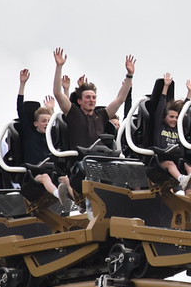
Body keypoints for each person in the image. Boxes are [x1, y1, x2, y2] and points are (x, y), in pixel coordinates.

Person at [52, 48, 136, 150]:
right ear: (79, 101)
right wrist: (59, 66)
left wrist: (129, 75)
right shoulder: (73, 113)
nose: (91, 100)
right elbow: (57, 93)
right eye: (88, 97)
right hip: (79, 158)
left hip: (98, 157)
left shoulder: (101, 115)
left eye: (94, 97)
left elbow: (120, 99)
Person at [16, 68, 73, 205]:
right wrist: (22, 84)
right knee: (45, 177)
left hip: (51, 171)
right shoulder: (29, 134)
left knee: (66, 178)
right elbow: (20, 109)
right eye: (43, 121)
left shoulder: (52, 137)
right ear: (36, 123)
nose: (47, 124)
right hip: (33, 175)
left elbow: (66, 116)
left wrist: (66, 90)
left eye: (48, 121)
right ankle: (59, 196)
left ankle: (78, 202)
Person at [154, 73, 191, 191]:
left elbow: (184, 112)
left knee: (188, 164)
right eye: (171, 117)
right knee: (170, 163)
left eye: (176, 117)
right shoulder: (160, 125)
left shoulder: (179, 128)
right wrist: (165, 87)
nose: (174, 120)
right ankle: (182, 180)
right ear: (164, 118)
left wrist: (189, 93)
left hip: (177, 160)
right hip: (161, 161)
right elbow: (160, 107)